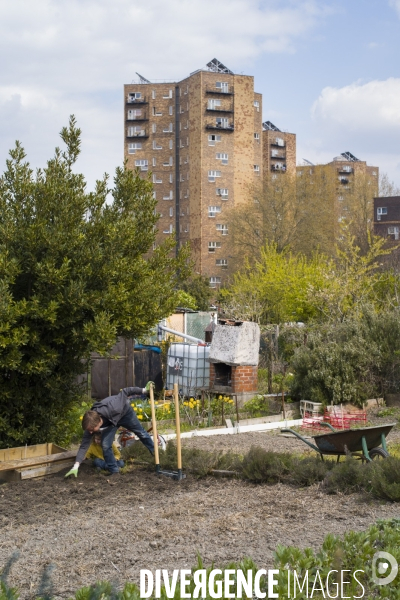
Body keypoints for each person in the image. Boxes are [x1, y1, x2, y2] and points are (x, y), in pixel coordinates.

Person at [65, 383, 154, 478]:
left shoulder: (115, 407)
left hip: (124, 414)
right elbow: (83, 446)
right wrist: (76, 466)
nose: (90, 432)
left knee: (141, 433)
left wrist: (144, 390)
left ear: (98, 423)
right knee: (105, 445)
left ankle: (158, 456)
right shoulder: (90, 423)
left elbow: (125, 391)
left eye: (91, 430)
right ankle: (115, 472)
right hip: (111, 423)